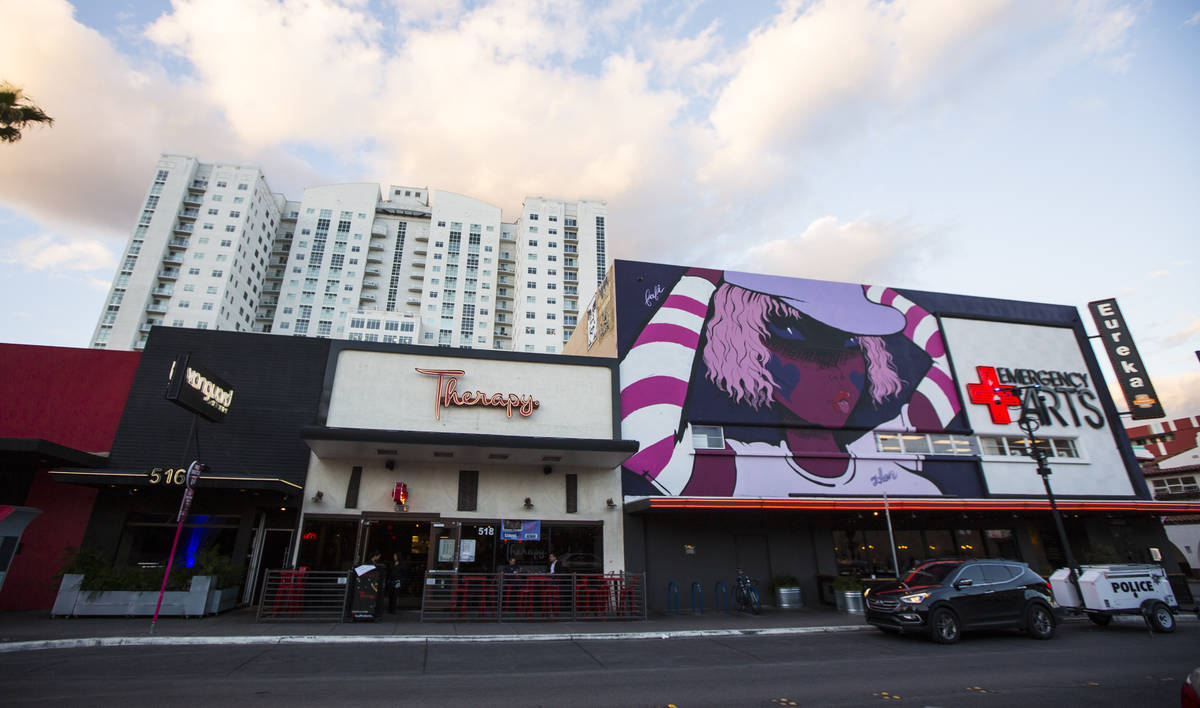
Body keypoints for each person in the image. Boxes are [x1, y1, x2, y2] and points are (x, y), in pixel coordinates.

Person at [620, 268, 963, 497]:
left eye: (850, 345)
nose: (836, 370)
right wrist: (700, 281)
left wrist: (872, 292)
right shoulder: (740, 474)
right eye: (797, 340)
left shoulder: (889, 453)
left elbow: (956, 360)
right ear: (751, 353)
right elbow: (644, 441)